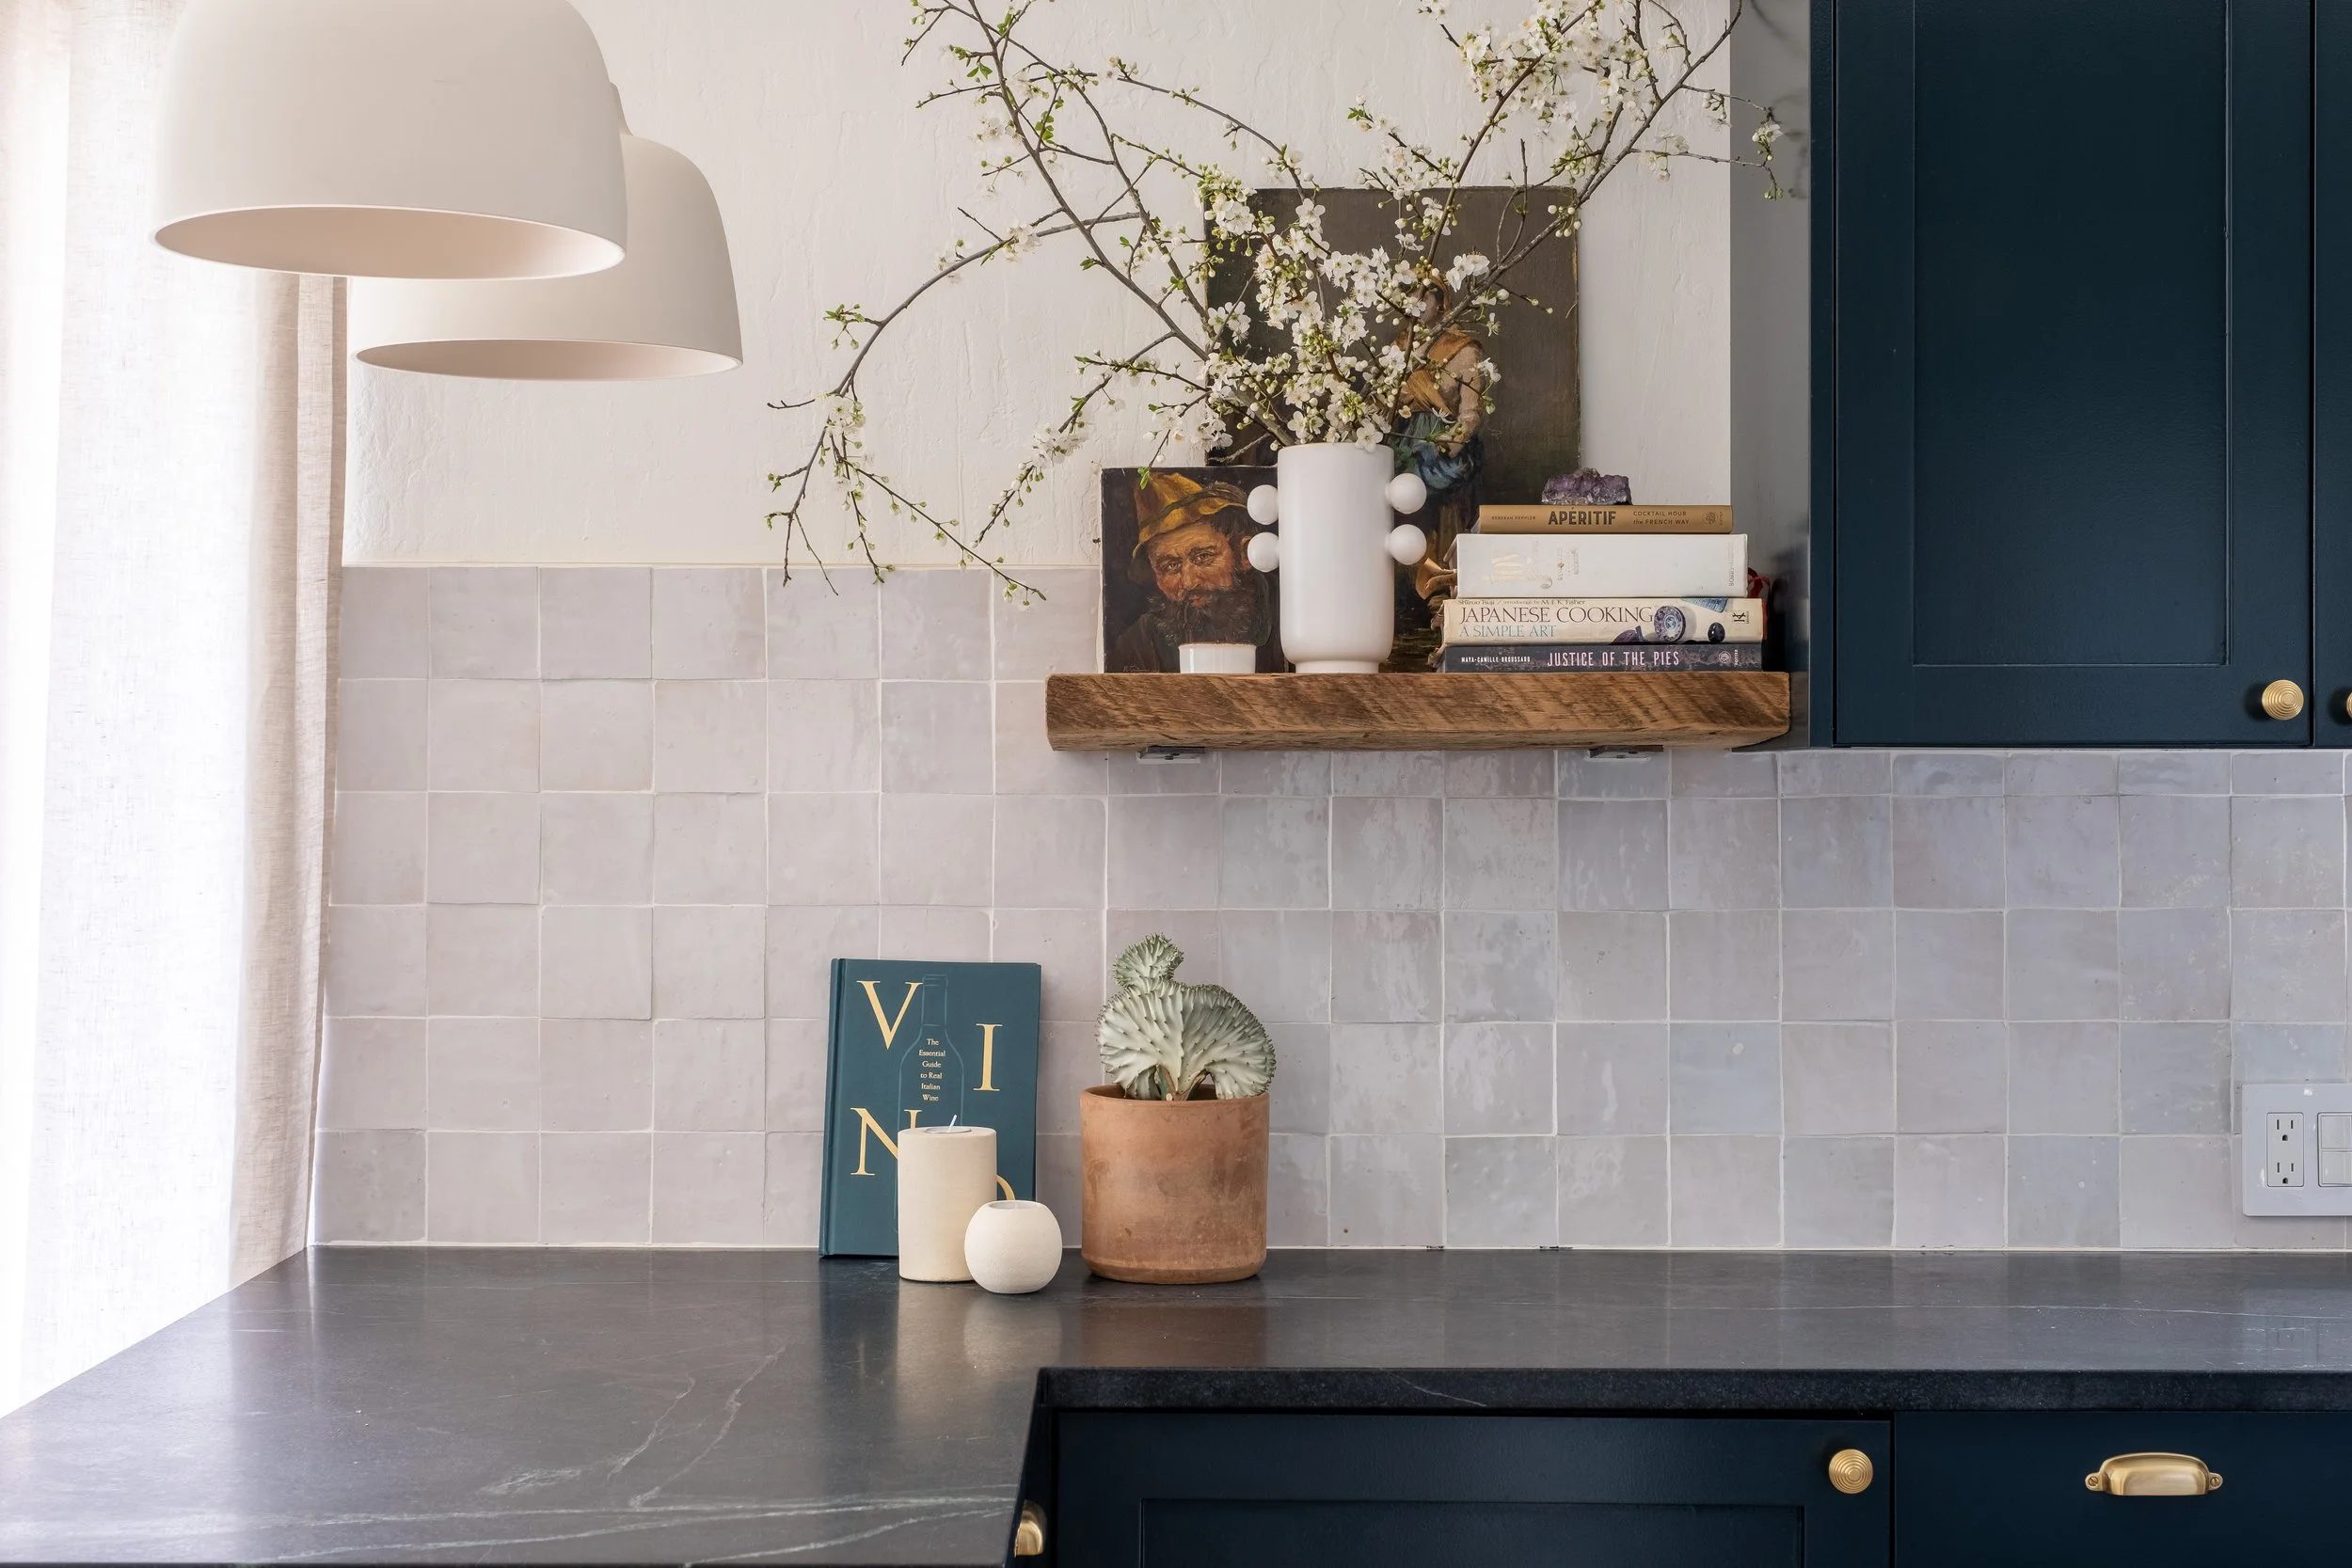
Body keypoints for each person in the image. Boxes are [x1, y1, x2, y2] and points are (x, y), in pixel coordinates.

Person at [1107, 471, 1275, 673]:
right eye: (1170, 566)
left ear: (1245, 554)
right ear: (1155, 576)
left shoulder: (1292, 614)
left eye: (1203, 557)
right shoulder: (1139, 642)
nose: (1188, 582)